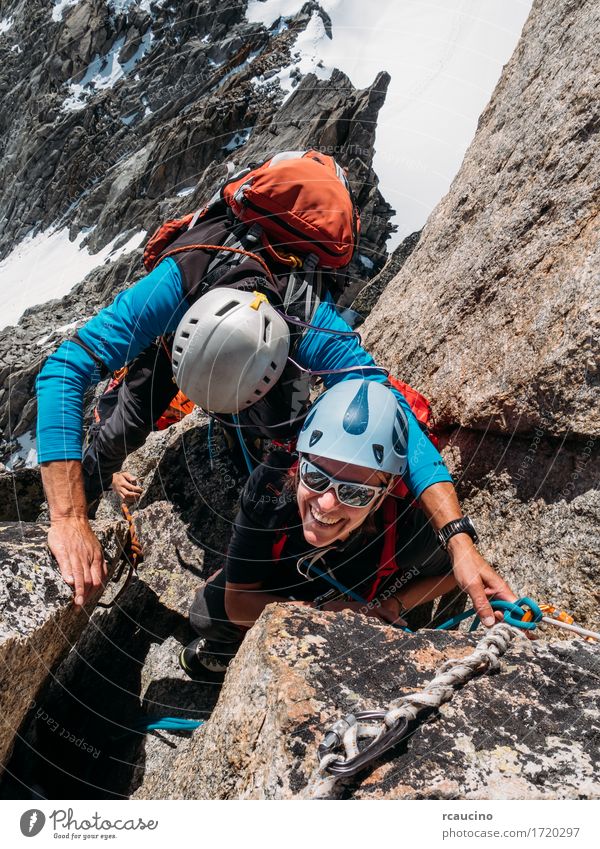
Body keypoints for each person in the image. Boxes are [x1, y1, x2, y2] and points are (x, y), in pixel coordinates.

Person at [35, 150, 507, 628]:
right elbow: (65, 368)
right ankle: (82, 500)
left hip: (267, 343)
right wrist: (69, 517)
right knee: (120, 430)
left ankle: (277, 538)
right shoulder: (181, 277)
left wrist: (458, 539)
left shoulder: (305, 316)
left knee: (283, 444)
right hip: (181, 333)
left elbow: (391, 410)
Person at [180, 379, 517, 676]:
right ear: (300, 461)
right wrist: (329, 612)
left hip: (351, 591)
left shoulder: (405, 530)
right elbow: (237, 602)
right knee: (205, 615)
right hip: (304, 589)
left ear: (384, 493)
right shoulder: (269, 493)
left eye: (355, 492)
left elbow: (450, 574)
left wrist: (393, 606)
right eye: (315, 477)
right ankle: (237, 650)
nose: (326, 504)